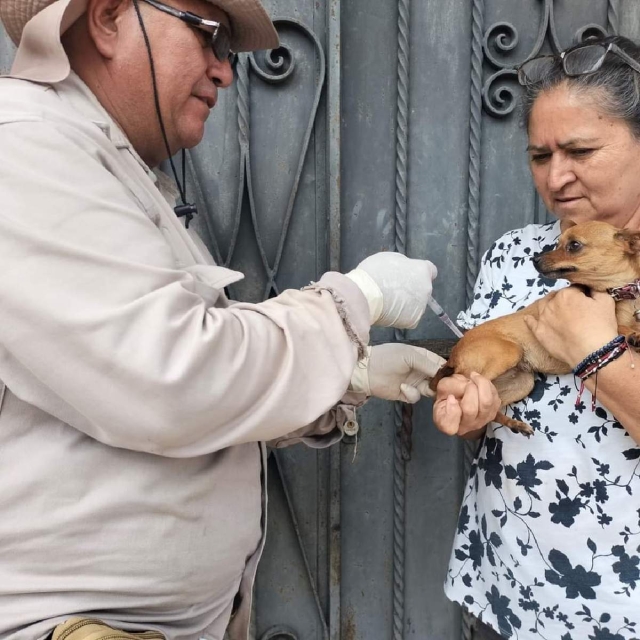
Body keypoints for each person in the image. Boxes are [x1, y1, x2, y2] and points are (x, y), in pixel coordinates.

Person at [0, 0, 445, 638]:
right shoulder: (25, 148)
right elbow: (174, 377)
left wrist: (353, 370)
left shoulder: (104, 162)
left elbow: (194, 381)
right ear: (106, 17)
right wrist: (357, 301)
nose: (225, 72)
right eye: (209, 36)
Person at [434, 35, 640, 640]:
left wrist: (594, 352)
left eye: (580, 150)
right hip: (507, 595)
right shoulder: (518, 254)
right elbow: (485, 394)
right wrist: (468, 409)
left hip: (619, 610)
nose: (557, 177)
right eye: (539, 155)